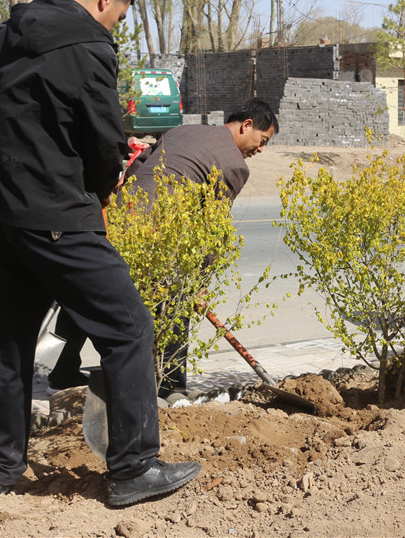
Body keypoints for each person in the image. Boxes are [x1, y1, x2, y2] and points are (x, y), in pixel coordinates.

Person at [0, 0, 200, 506]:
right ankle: (132, 468)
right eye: (119, 16)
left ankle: (0, 469)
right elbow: (100, 136)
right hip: (57, 211)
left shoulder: (6, 34)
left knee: (8, 343)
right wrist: (106, 182)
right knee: (129, 328)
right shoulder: (90, 45)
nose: (115, 25)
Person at [47, 98, 279, 399]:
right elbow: (212, 225)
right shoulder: (234, 164)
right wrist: (198, 280)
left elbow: (138, 166)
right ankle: (171, 388)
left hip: (122, 220)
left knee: (91, 290)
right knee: (177, 299)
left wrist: (126, 211)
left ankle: (63, 371)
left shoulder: (183, 130)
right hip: (159, 233)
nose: (260, 150)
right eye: (263, 141)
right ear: (247, 125)